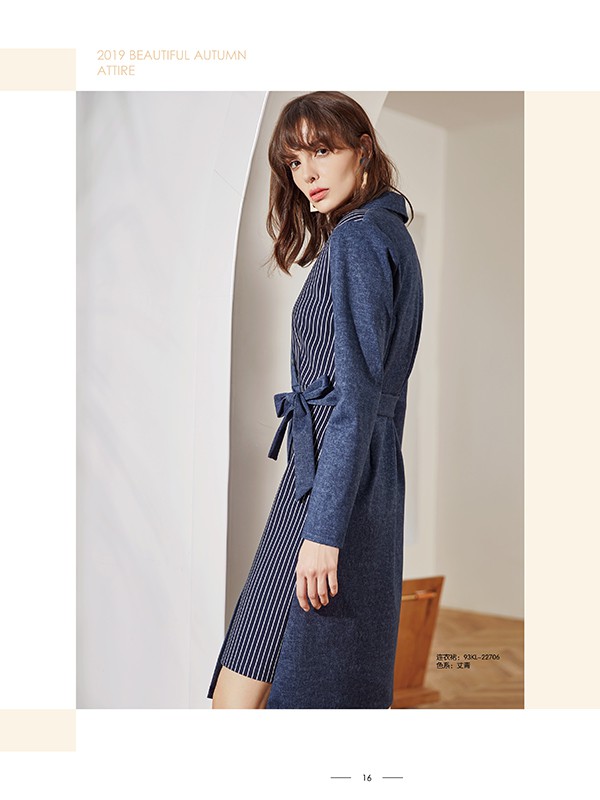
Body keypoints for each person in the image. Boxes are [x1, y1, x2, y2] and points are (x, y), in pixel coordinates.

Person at [207, 91, 424, 709]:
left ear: (363, 149)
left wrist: (325, 530)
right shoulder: (389, 235)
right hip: (354, 477)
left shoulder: (358, 238)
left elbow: (355, 399)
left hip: (328, 482)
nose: (307, 174)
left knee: (257, 686)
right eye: (294, 161)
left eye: (322, 151)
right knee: (261, 667)